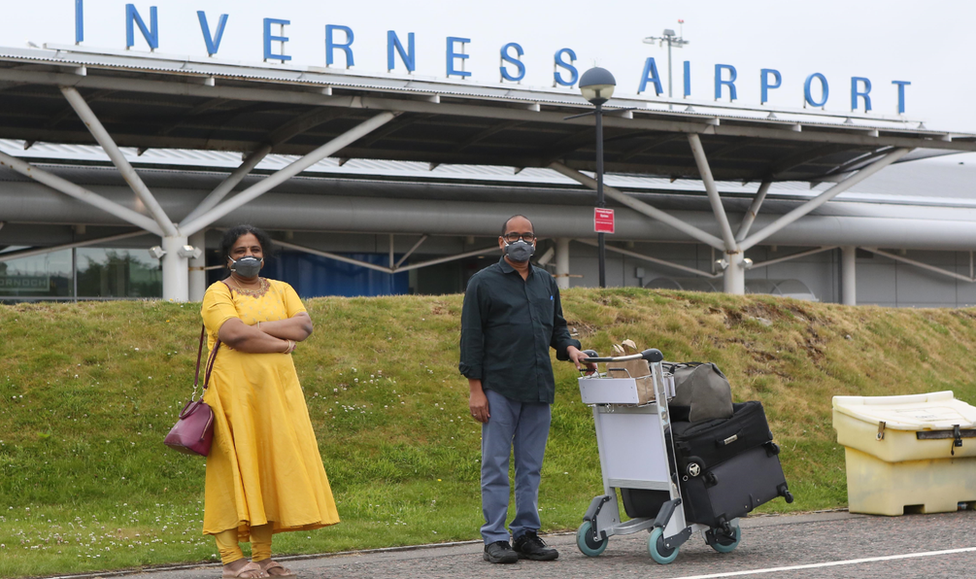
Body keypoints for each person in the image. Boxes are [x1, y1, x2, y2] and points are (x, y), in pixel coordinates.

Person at [200, 225, 339, 578]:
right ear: (227, 256)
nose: (250, 255)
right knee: (232, 474)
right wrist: (280, 341)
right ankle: (231, 558)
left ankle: (262, 557)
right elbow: (233, 334)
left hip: (277, 396)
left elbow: (304, 327)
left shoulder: (282, 289)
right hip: (233, 396)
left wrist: (256, 326)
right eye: (241, 249)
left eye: (256, 250)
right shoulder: (217, 292)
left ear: (264, 254)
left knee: (267, 469)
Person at [459, 215, 594, 564]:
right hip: (500, 387)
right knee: (496, 465)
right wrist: (476, 390)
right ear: (501, 241)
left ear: (536, 241)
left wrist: (572, 350)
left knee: (530, 467)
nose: (521, 240)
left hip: (538, 387)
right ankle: (495, 538)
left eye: (528, 236)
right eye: (514, 235)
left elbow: (557, 329)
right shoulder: (482, 283)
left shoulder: (546, 282)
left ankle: (526, 534)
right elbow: (472, 340)